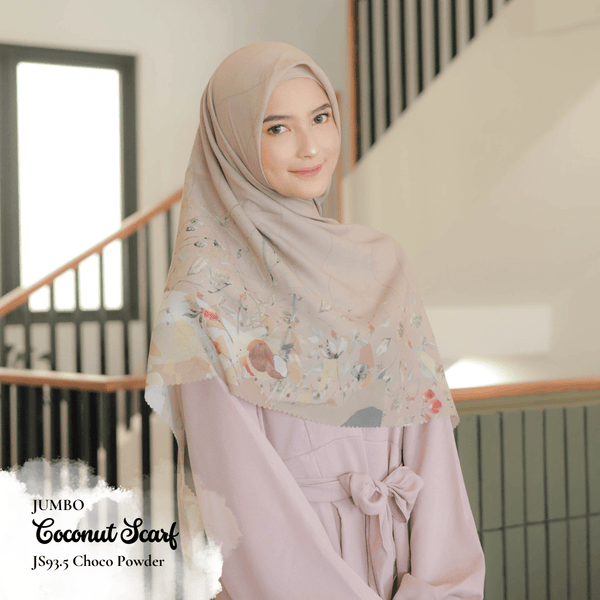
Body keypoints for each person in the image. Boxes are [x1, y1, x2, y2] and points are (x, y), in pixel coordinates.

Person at [145, 41, 485, 599]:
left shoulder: (382, 266)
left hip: (405, 571)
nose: (310, 146)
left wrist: (440, 589)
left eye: (321, 118)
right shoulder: (203, 298)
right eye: (277, 127)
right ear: (232, 143)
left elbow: (431, 449)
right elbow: (240, 498)